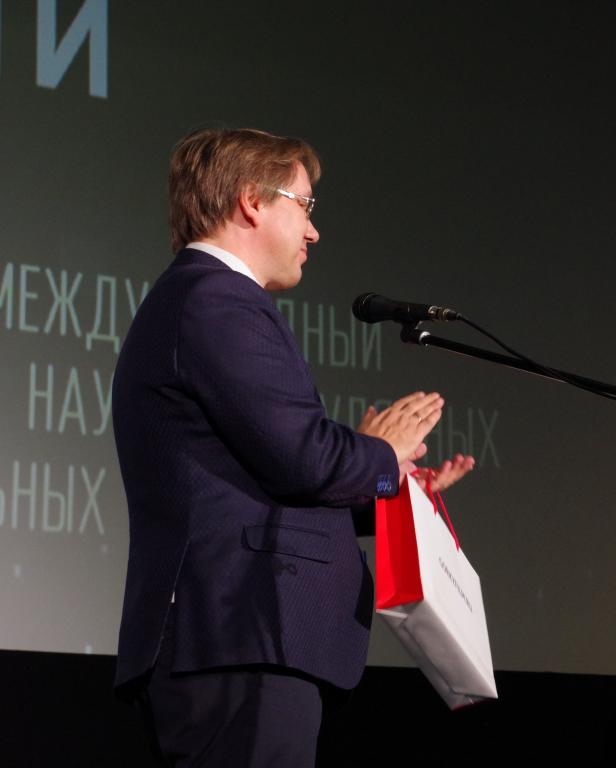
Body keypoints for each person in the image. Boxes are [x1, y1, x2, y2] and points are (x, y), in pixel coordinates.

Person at [112, 127, 475, 766]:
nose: (314, 232)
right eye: (304, 206)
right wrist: (381, 455)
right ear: (252, 200)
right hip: (237, 631)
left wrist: (394, 486)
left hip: (243, 637)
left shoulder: (206, 298)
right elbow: (303, 459)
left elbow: (268, 480)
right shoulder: (215, 299)